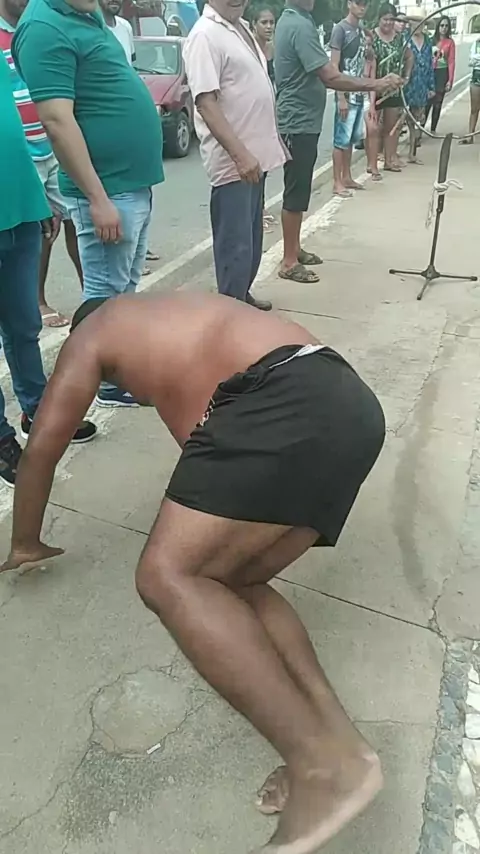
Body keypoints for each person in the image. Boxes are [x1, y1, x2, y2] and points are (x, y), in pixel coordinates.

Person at [2, 291, 386, 854]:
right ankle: (345, 749)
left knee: (165, 576)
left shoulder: (96, 331)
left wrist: (25, 542)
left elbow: (41, 447)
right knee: (229, 583)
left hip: (285, 396)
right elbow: (211, 466)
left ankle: (321, 770)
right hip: (349, 405)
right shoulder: (178, 320)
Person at [12, 0, 164, 407]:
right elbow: (56, 121)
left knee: (123, 291)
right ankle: (104, 383)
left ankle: (120, 371)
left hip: (130, 183)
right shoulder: (43, 28)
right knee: (104, 296)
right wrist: (97, 198)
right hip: (106, 188)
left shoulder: (84, 13)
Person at [0, 53, 96, 487]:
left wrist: (38, 200)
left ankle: (37, 410)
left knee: (24, 325)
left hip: (20, 210)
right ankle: (0, 438)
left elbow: (17, 135)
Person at [274, 0, 402, 285]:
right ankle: (289, 261)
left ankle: (294, 249)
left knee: (300, 188)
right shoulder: (298, 25)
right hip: (297, 122)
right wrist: (376, 83)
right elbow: (330, 75)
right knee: (296, 190)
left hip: (302, 120)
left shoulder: (296, 20)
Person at [183, 0, 287, 312]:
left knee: (252, 241)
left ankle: (242, 299)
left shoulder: (239, 27)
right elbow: (206, 103)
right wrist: (241, 156)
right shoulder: (205, 35)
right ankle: (231, 312)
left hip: (256, 161)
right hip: (234, 165)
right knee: (235, 247)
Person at [0, 0, 82, 329]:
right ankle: (37, 299)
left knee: (77, 218)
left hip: (54, 142)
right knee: (38, 230)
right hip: (20, 154)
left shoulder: (38, 27)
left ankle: (93, 296)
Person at [97, 0, 160, 274]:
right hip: (109, 147)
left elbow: (130, 71)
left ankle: (138, 251)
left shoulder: (123, 27)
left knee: (141, 204)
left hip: (136, 147)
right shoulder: (89, 28)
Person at [330, 0, 368, 198]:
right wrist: (340, 97)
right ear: (349, 4)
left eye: (365, 4)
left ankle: (347, 176)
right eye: (358, 3)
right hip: (346, 91)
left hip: (358, 90)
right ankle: (336, 181)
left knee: (352, 138)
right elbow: (334, 65)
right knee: (341, 140)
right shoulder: (340, 30)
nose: (362, 7)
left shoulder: (360, 30)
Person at [372, 4, 412, 173]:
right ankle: (372, 164)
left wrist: (406, 77)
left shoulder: (399, 39)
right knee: (373, 128)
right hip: (374, 88)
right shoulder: (371, 37)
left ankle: (389, 160)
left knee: (391, 127)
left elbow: (409, 56)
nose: (388, 23)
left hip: (393, 90)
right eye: (385, 19)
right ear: (379, 19)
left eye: (391, 19)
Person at [251, 5, 276, 233]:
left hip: (270, 114)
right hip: (253, 115)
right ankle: (255, 212)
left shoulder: (273, 50)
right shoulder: (249, 49)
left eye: (271, 22)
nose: (268, 27)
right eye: (264, 22)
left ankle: (261, 206)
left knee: (265, 166)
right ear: (254, 25)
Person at [403, 18, 434, 164]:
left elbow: (430, 64)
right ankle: (390, 154)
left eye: (421, 23)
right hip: (407, 85)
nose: (419, 25)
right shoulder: (404, 39)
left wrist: (431, 87)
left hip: (422, 85)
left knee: (418, 120)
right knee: (401, 119)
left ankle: (412, 153)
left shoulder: (428, 41)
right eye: (416, 22)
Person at [424, 16, 455, 133]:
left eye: (446, 26)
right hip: (430, 73)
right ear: (438, 26)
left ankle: (433, 129)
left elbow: (451, 61)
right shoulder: (430, 40)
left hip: (442, 73)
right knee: (427, 102)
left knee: (437, 103)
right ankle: (421, 128)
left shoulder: (450, 42)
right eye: (442, 25)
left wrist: (450, 80)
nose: (444, 28)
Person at [460, 35, 480, 145]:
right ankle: (470, 135)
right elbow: (471, 61)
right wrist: (476, 59)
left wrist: (477, 58)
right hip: (476, 78)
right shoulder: (476, 44)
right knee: (474, 109)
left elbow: (475, 59)